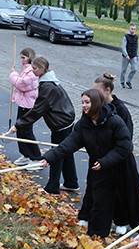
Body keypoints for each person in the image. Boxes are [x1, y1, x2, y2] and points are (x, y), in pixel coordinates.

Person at [41, 89, 132, 237]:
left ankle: (97, 235)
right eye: (82, 102)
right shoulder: (84, 124)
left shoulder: (115, 121)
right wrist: (50, 158)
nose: (84, 105)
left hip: (116, 166)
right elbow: (68, 144)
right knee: (93, 192)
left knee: (107, 199)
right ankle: (86, 219)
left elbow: (125, 147)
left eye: (87, 102)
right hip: (97, 165)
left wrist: (105, 162)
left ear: (96, 103)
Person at [9, 56, 78, 194]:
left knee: (57, 154)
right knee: (66, 152)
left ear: (42, 69)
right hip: (65, 120)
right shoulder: (49, 81)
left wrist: (18, 125)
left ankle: (52, 188)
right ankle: (71, 182)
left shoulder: (47, 86)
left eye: (34, 68)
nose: (32, 71)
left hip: (61, 123)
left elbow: (37, 111)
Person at [88, 73, 139, 235]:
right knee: (97, 189)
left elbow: (126, 138)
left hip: (120, 159)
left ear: (107, 90)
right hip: (102, 158)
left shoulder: (121, 109)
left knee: (122, 192)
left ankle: (122, 221)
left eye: (98, 91)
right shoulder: (97, 107)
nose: (95, 95)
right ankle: (91, 218)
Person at [8, 48, 40, 165]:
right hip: (23, 103)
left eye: (24, 58)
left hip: (28, 105)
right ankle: (26, 154)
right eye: (21, 57)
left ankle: (36, 157)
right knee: (20, 130)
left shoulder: (32, 71)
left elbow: (21, 84)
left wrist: (13, 74)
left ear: (29, 58)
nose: (21, 60)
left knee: (26, 132)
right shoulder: (26, 69)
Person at [120, 24, 139, 89]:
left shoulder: (136, 37)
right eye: (132, 29)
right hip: (126, 56)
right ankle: (122, 82)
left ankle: (128, 81)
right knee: (123, 70)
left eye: (134, 29)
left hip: (133, 55)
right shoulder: (126, 36)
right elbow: (123, 47)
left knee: (134, 69)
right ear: (129, 29)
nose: (133, 30)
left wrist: (137, 55)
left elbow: (137, 46)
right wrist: (126, 55)